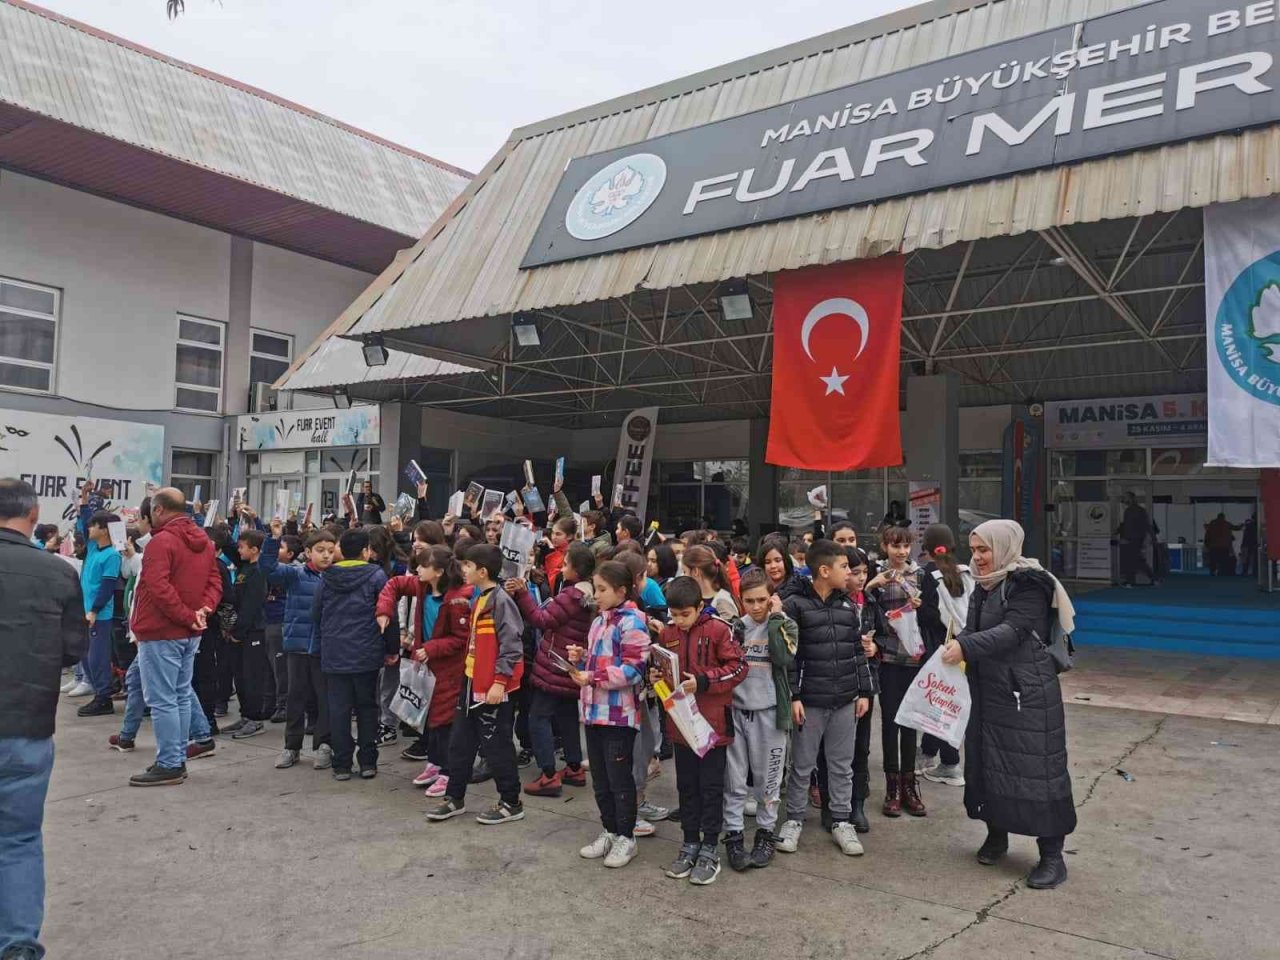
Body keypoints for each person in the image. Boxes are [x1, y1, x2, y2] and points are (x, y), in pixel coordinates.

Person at [940, 519, 1077, 890]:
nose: (979, 557)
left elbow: (1015, 630)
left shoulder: (1028, 583)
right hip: (988, 692)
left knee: (1036, 770)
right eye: (975, 550)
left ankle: (1052, 856)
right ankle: (996, 836)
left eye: (985, 549)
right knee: (990, 763)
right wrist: (952, 648)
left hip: (1026, 695)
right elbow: (973, 628)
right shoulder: (984, 586)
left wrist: (967, 647)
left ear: (1003, 547)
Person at [0, 478, 85, 960]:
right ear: (33, 517)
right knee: (18, 839)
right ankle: (16, 944)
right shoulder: (56, 572)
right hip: (27, 724)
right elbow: (74, 648)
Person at [776, 539, 874, 857]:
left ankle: (841, 820)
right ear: (824, 570)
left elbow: (856, 651)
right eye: (844, 567)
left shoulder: (847, 606)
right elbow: (789, 657)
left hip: (845, 700)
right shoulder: (794, 605)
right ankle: (793, 820)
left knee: (841, 765)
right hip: (811, 701)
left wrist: (863, 690)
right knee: (801, 765)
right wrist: (794, 696)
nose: (850, 573)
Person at [652, 576, 745, 885]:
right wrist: (656, 675)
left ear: (699, 607)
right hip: (681, 726)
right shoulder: (668, 633)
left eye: (684, 614)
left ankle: (709, 848)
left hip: (713, 726)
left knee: (711, 788)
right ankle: (689, 842)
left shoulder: (719, 630)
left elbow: (738, 667)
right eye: (673, 614)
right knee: (687, 787)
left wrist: (703, 681)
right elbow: (665, 673)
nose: (678, 621)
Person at [426, 542, 526, 826]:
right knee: (460, 744)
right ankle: (455, 797)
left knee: (497, 747)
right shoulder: (479, 598)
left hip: (494, 690)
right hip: (471, 684)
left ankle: (511, 802)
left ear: (482, 571)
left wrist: (499, 683)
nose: (463, 570)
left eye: (468, 566)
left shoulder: (501, 601)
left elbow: (512, 647)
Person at [128, 487, 222, 787]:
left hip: (162, 631)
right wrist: (202, 611)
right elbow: (214, 580)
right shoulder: (204, 541)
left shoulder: (162, 542)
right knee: (180, 694)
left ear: (158, 510)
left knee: (163, 699)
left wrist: (187, 614)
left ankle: (170, 762)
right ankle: (176, 757)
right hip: (190, 630)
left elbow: (158, 588)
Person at [568, 560, 651, 869]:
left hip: (618, 715)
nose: (597, 595)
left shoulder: (633, 623)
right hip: (592, 713)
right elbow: (601, 659)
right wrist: (582, 657)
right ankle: (610, 830)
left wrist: (592, 676)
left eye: (602, 589)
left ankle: (626, 837)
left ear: (621, 590)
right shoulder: (599, 621)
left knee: (619, 780)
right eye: (595, 588)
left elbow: (633, 669)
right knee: (601, 779)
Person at [376, 545, 470, 797]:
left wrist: (432, 647)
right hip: (426, 665)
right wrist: (384, 611)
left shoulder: (458, 600)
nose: (416, 569)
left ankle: (449, 772)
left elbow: (461, 639)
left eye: (422, 565)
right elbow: (394, 585)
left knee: (445, 721)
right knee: (430, 719)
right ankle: (435, 763)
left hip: (449, 669)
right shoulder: (421, 586)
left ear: (438, 571)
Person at [507, 542, 595, 798]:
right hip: (570, 666)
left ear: (576, 570)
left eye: (566, 564)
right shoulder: (587, 594)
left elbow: (541, 620)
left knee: (538, 717)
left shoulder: (572, 595)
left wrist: (523, 594)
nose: (562, 566)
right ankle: (574, 766)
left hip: (556, 665)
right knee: (567, 716)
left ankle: (548, 774)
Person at [723, 568, 796, 871]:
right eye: (749, 600)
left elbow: (782, 658)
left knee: (769, 781)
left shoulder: (785, 625)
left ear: (772, 599)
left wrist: (776, 617)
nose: (756, 607)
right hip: (737, 712)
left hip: (769, 713)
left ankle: (766, 833)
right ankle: (735, 835)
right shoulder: (734, 628)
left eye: (762, 600)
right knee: (735, 780)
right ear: (741, 601)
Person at [313, 528, 396, 781]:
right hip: (366, 653)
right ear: (365, 551)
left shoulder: (327, 577)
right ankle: (368, 762)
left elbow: (315, 613)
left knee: (338, 709)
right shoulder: (376, 576)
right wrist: (391, 649)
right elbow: (387, 613)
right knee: (367, 708)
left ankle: (341, 765)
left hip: (334, 654)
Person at [261, 524, 335, 771]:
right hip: (298, 646)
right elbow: (267, 568)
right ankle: (292, 747)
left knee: (325, 699)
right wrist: (273, 538)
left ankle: (324, 745)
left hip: (326, 649)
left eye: (330, 550)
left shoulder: (337, 576)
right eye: (320, 550)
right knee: (295, 698)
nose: (325, 555)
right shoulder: (295, 574)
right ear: (308, 552)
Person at [867, 525, 927, 818]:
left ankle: (910, 785)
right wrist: (870, 587)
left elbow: (935, 617)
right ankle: (892, 787)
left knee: (911, 723)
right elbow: (865, 611)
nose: (901, 551)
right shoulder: (876, 576)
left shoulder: (922, 576)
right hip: (888, 658)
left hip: (915, 659)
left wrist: (921, 606)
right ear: (884, 547)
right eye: (895, 546)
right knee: (890, 723)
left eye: (906, 546)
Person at [916, 524, 973, 787]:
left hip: (942, 648)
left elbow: (929, 614)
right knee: (948, 704)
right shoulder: (968, 572)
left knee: (941, 705)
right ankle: (928, 753)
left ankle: (950, 764)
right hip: (967, 646)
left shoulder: (930, 574)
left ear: (926, 548)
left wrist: (916, 607)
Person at [222, 529, 272, 741]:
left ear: (254, 550)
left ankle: (255, 718)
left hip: (253, 631)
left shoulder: (258, 571)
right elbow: (231, 549)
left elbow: (251, 607)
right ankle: (245, 714)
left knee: (252, 676)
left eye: (243, 547)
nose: (238, 550)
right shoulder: (244, 566)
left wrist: (238, 631)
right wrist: (223, 532)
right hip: (238, 632)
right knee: (240, 675)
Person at [76, 510, 123, 718]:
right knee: (85, 656)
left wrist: (95, 610)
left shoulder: (112, 554)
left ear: (104, 530)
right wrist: (85, 502)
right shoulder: (94, 547)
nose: (90, 528)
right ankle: (99, 692)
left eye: (95, 525)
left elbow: (107, 586)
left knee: (97, 658)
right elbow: (84, 521)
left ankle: (104, 698)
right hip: (85, 611)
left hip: (99, 615)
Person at [262, 533, 301, 723]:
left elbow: (269, 566)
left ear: (291, 554)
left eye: (281, 547)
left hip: (281, 623)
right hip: (270, 622)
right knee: (270, 669)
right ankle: (271, 704)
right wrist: (273, 536)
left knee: (281, 669)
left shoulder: (292, 572)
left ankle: (284, 705)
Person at [682, 544, 739, 619]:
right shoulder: (691, 596)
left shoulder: (722, 601)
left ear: (696, 571)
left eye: (685, 572)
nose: (683, 576)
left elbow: (730, 628)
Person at [1118, 493, 1157, 587]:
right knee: (1135, 560)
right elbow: (1146, 525)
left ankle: (1132, 581)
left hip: (1132, 539)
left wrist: (1124, 537)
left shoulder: (1130, 511)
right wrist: (1152, 537)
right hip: (1136, 539)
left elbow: (1128, 526)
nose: (1124, 500)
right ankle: (1134, 580)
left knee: (1133, 561)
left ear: (1131, 499)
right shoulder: (1139, 510)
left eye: (1125, 498)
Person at [756, 533, 806, 600]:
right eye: (767, 562)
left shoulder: (800, 588)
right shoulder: (756, 589)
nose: (773, 566)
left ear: (785, 561)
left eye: (777, 560)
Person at [1203, 512, 1242, 577]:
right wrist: (1241, 525)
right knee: (1223, 560)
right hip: (1224, 546)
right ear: (1223, 517)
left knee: (1213, 560)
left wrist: (1206, 543)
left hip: (1213, 546)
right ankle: (1222, 572)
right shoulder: (1227, 524)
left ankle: (1212, 571)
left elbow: (1207, 534)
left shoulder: (1212, 523)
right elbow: (1236, 528)